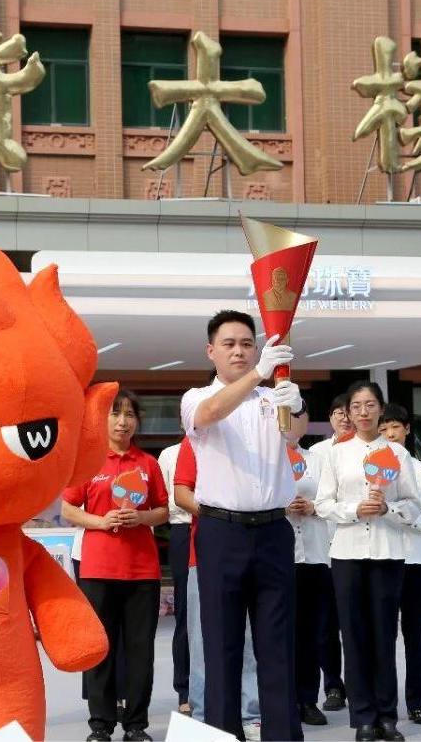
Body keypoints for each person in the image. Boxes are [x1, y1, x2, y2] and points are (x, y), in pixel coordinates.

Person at [180, 310, 304, 742]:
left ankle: (282, 735)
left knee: (277, 645)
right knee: (222, 647)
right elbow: (211, 412)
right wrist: (259, 373)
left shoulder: (273, 398)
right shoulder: (196, 397)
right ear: (210, 351)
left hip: (273, 532)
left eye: (247, 344)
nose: (239, 351)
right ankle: (222, 734)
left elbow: (295, 434)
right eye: (229, 344)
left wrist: (296, 404)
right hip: (221, 533)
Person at [315, 382, 421, 742]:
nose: (363, 412)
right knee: (354, 636)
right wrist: (354, 509)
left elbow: (413, 505)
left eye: (370, 405)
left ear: (381, 409)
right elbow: (324, 504)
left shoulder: (397, 454)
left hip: (387, 552)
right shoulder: (336, 454)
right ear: (348, 412)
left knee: (384, 635)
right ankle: (362, 716)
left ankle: (387, 716)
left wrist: (388, 508)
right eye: (357, 406)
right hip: (347, 554)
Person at [62, 390, 169, 742]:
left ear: (137, 421)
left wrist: (141, 517)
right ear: (102, 420)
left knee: (140, 651)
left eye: (129, 415)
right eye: (115, 414)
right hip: (98, 570)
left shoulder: (148, 464)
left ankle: (136, 725)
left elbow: (163, 510)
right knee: (101, 649)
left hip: (142, 571)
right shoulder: (89, 462)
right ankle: (101, 724)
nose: (122, 422)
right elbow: (68, 509)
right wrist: (100, 522)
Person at [172, 438, 262, 741]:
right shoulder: (196, 440)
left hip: (252, 551)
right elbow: (182, 494)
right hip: (206, 553)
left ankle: (250, 716)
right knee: (202, 641)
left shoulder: (254, 439)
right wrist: (223, 519)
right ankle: (202, 718)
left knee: (248, 638)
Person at [379, 406, 421, 726]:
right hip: (381, 559)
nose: (389, 434)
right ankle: (384, 705)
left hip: (417, 559)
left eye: (394, 427)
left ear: (406, 429)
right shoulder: (371, 470)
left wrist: (413, 520)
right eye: (383, 429)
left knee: (415, 636)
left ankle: (417, 703)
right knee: (383, 636)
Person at [283, 403, 333, 728]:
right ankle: (282, 699)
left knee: (311, 631)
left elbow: (333, 501)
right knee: (280, 631)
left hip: (314, 554)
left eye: (297, 417)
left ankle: (308, 699)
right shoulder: (266, 461)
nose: (291, 423)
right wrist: (281, 507)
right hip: (279, 557)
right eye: (285, 417)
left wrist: (313, 507)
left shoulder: (318, 461)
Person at [306, 394, 350, 714]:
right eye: (338, 412)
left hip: (355, 546)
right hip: (322, 550)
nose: (344, 418)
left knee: (357, 625)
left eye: (349, 412)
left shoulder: (367, 454)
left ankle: (362, 686)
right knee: (325, 626)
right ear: (330, 417)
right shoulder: (316, 454)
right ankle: (333, 685)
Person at [158, 439, 191, 716]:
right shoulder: (170, 454)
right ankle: (185, 689)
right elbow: (162, 499)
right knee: (186, 613)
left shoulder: (222, 446)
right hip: (184, 529)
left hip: (223, 530)